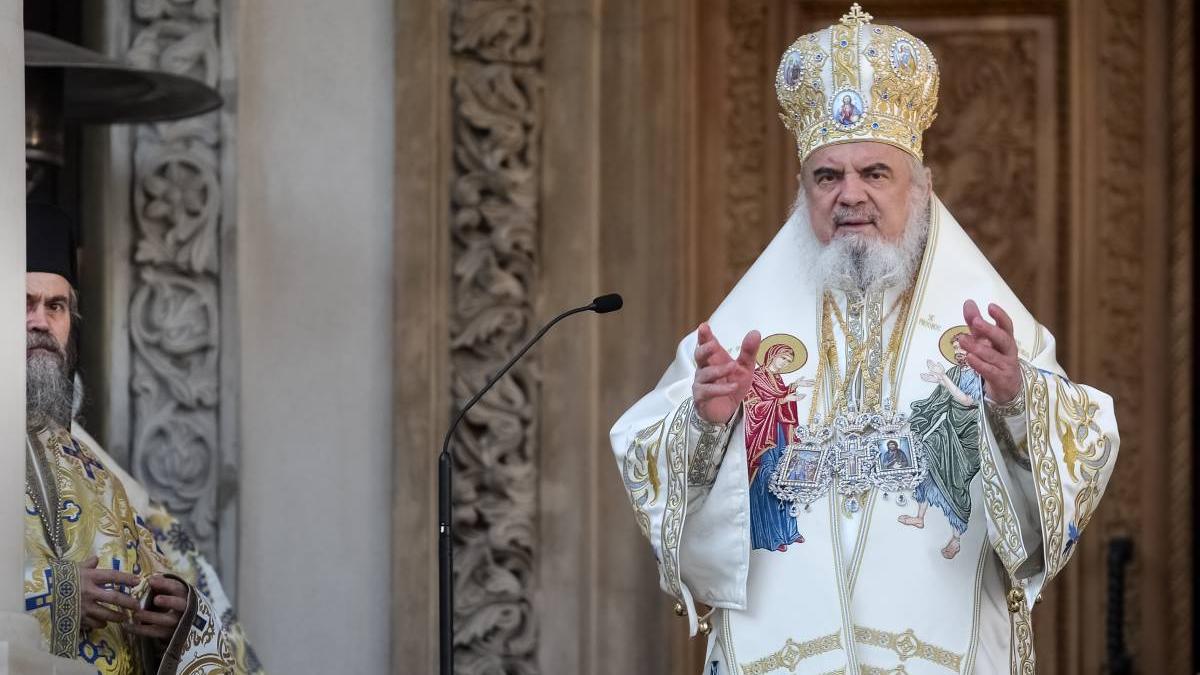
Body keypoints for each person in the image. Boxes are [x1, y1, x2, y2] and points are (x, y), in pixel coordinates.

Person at [609, 5, 1119, 673]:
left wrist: (1018, 401)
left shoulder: (988, 333)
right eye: (828, 176)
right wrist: (705, 425)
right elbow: (648, 459)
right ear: (803, 192)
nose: (849, 194)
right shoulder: (738, 338)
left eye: (875, 172)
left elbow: (1082, 450)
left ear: (921, 188)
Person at [24, 203, 263, 673]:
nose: (41, 321)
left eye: (56, 306)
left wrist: (178, 619)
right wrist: (53, 596)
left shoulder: (97, 478)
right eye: (23, 303)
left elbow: (159, 603)